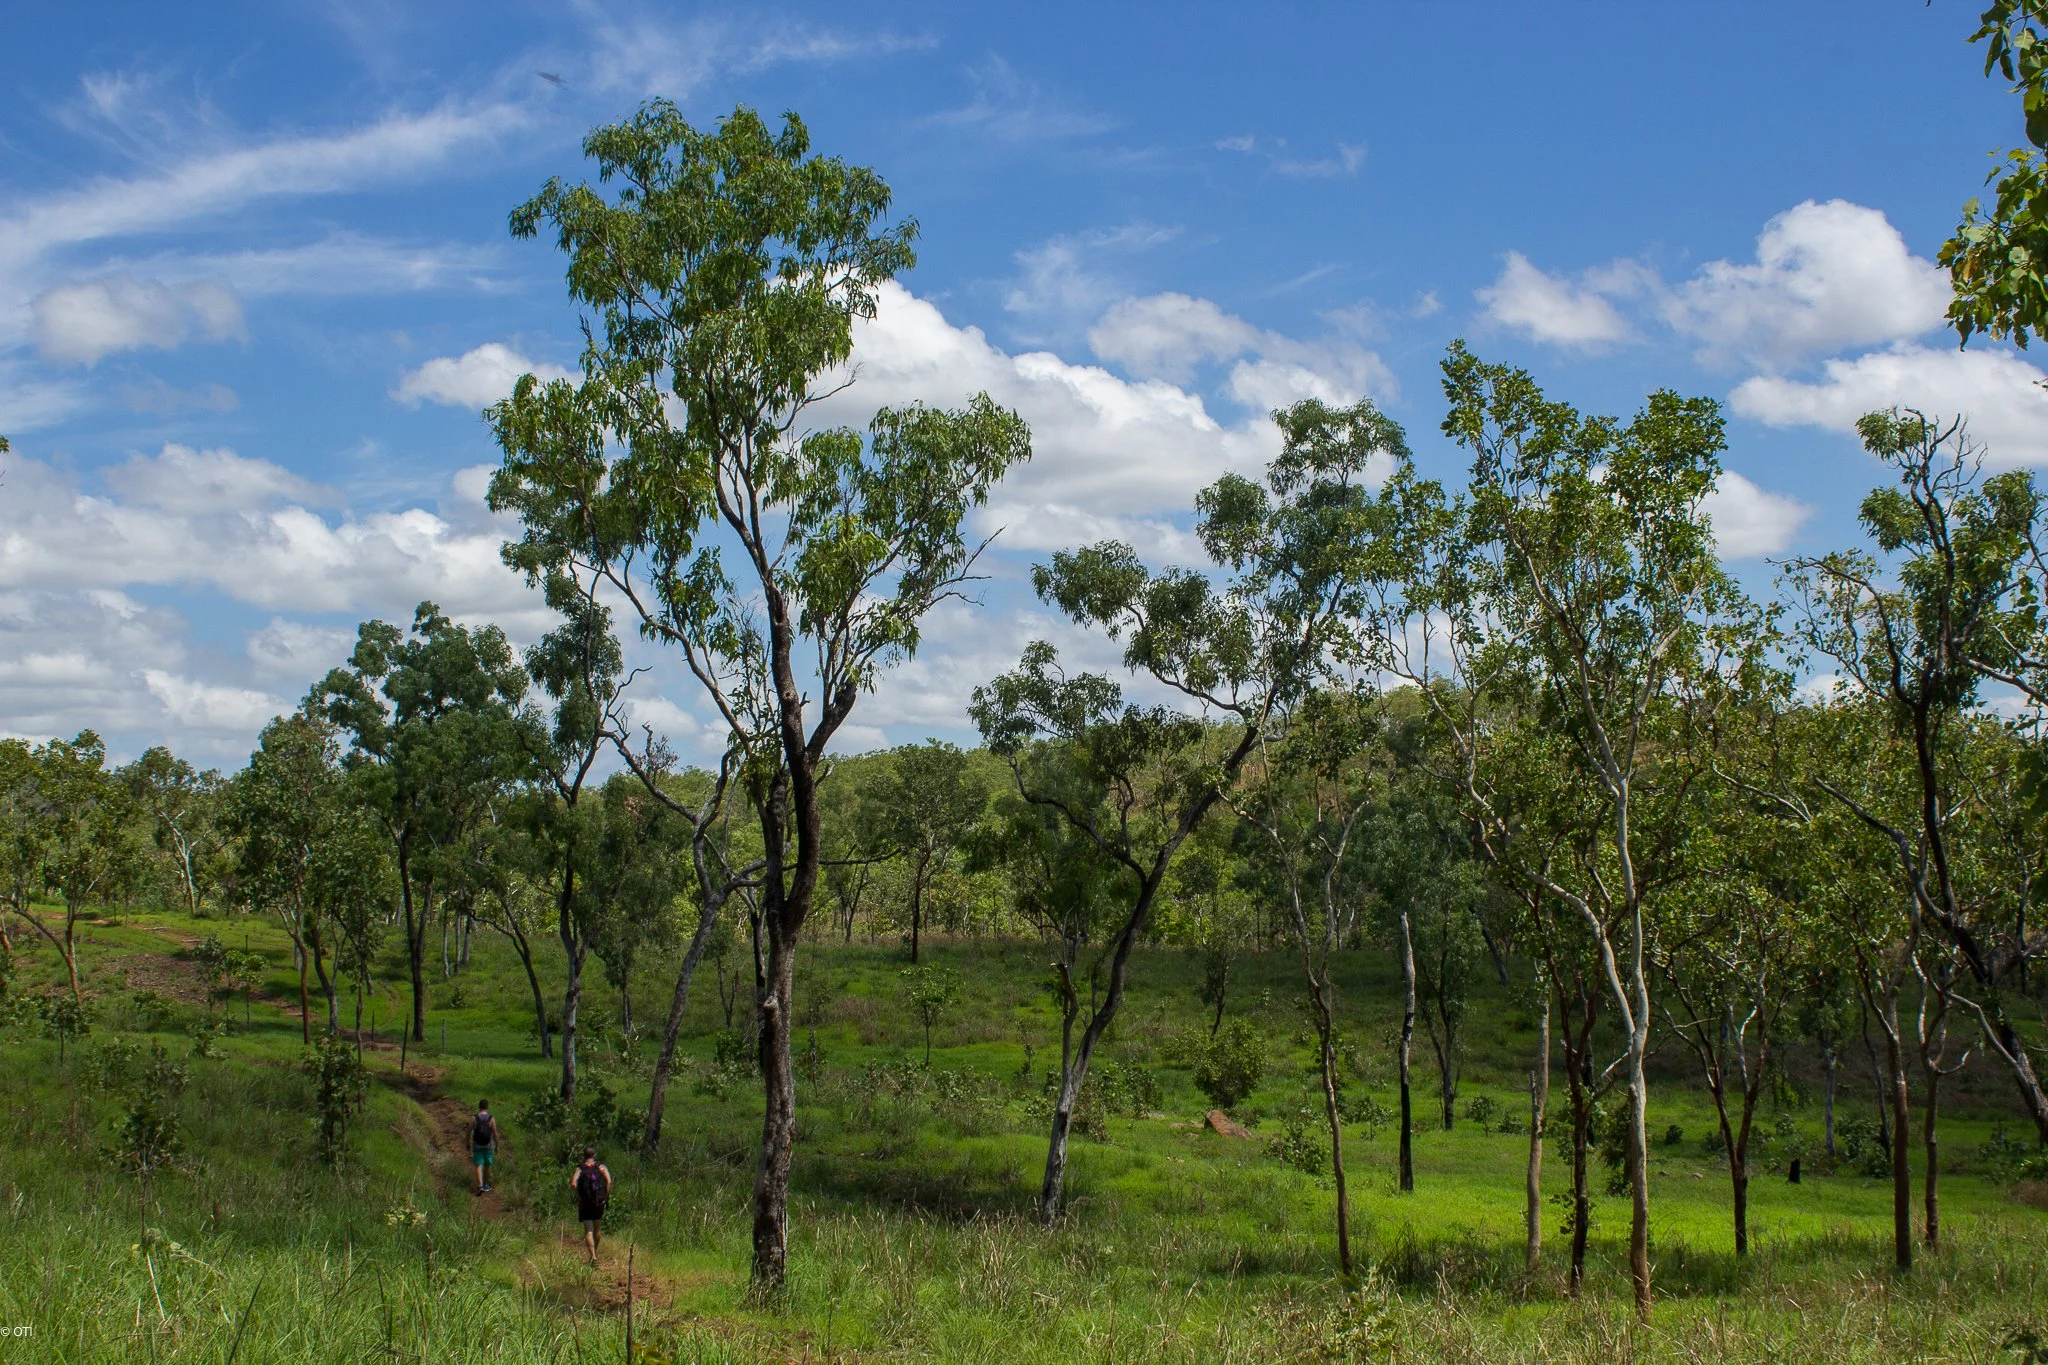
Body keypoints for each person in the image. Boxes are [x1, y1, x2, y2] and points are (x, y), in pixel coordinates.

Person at [570, 1145, 612, 1266]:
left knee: (588, 1230)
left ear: (584, 1156)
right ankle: (595, 1253)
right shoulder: (601, 1167)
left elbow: (573, 1183)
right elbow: (609, 1181)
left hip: (585, 1203)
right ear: (594, 1155)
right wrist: (605, 1196)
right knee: (597, 1229)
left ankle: (592, 1255)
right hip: (599, 1202)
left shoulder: (580, 1169)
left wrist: (578, 1196)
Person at [470, 1100, 499, 1195]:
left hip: (477, 1145)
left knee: (478, 1165)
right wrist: (497, 1145)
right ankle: (486, 1185)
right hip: (488, 1146)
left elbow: (468, 1131)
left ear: (479, 1107)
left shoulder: (475, 1118)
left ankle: (480, 1186)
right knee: (487, 1165)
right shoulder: (491, 1118)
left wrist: (466, 1142)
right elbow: (495, 1134)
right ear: (487, 1107)